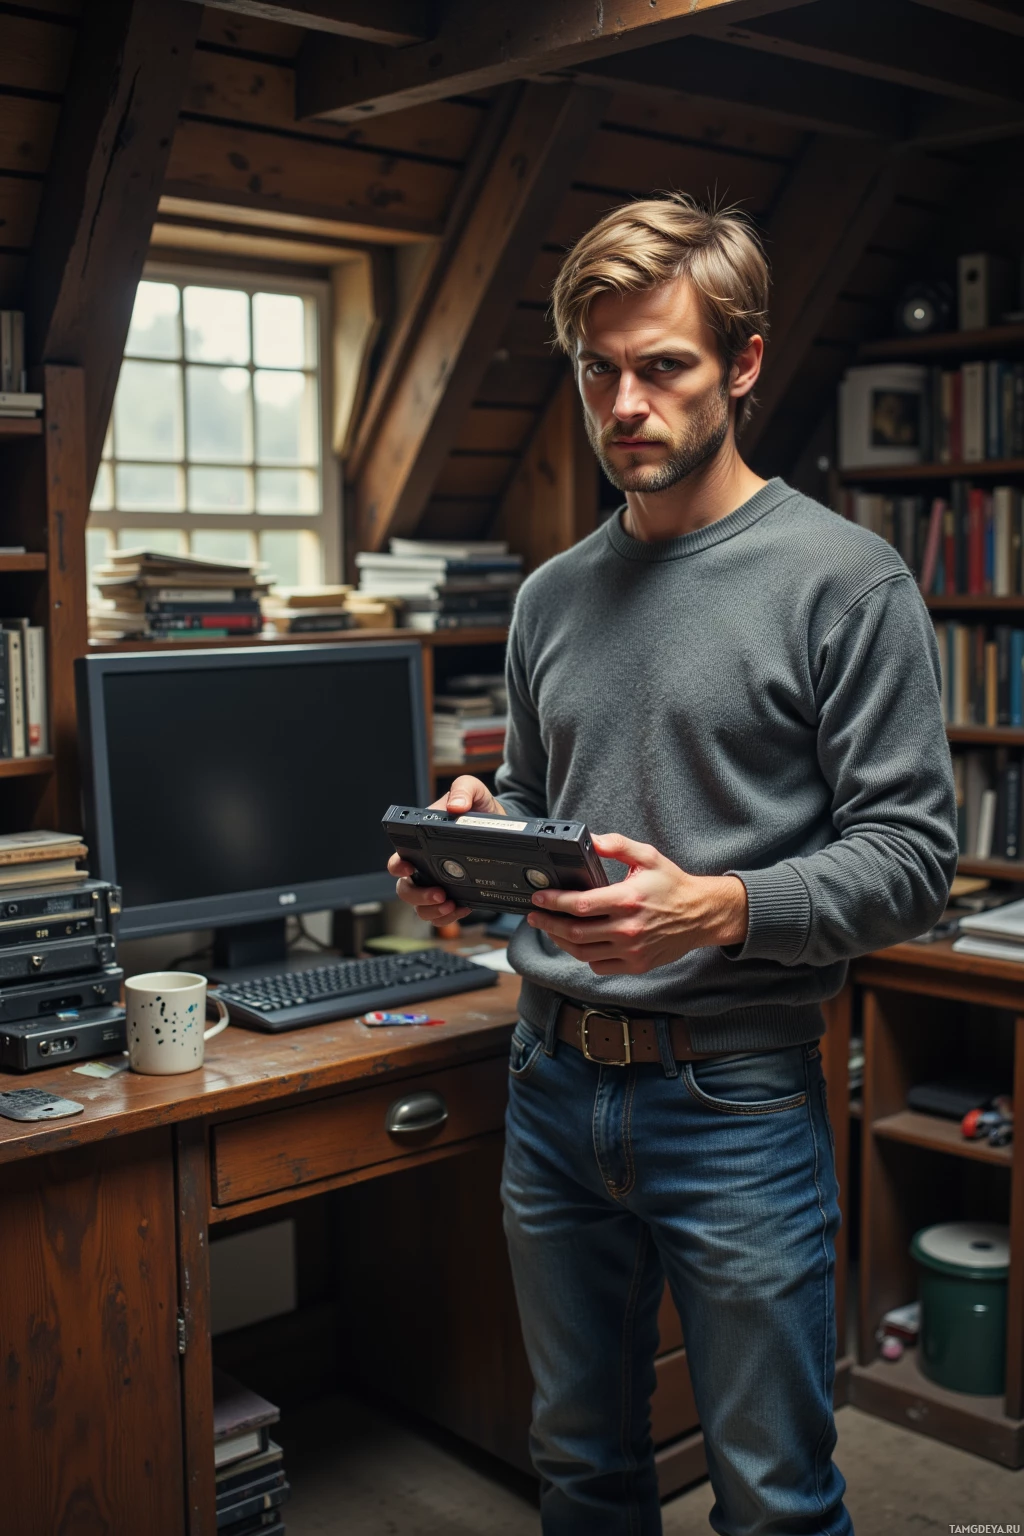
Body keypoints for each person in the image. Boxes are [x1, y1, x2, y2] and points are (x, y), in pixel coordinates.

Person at [388, 193, 958, 1536]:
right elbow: (546, 801)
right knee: (581, 1470)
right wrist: (479, 842)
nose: (623, 403)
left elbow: (915, 860)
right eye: (599, 371)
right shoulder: (546, 598)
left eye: (663, 366)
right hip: (548, 1082)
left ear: (745, 363)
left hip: (738, 1101)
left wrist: (716, 908)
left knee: (772, 1499)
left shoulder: (846, 582)